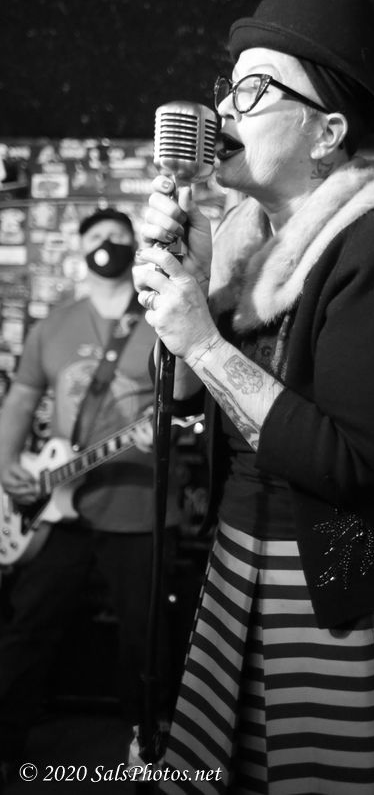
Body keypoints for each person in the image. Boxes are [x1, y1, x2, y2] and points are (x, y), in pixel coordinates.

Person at [133, 0, 374, 794]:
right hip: (239, 569)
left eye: (254, 90)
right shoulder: (239, 246)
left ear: (327, 131)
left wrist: (205, 341)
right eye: (226, 87)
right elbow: (184, 409)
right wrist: (184, 295)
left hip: (349, 590)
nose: (224, 110)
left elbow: (353, 463)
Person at [0, 207, 180, 778]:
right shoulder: (55, 324)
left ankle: (149, 756)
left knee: (145, 642)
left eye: (120, 236)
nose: (108, 243)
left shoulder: (161, 320)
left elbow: (190, 400)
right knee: (28, 625)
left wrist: (165, 433)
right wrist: (5, 464)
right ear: (81, 246)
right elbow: (22, 397)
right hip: (56, 504)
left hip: (137, 508)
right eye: (98, 235)